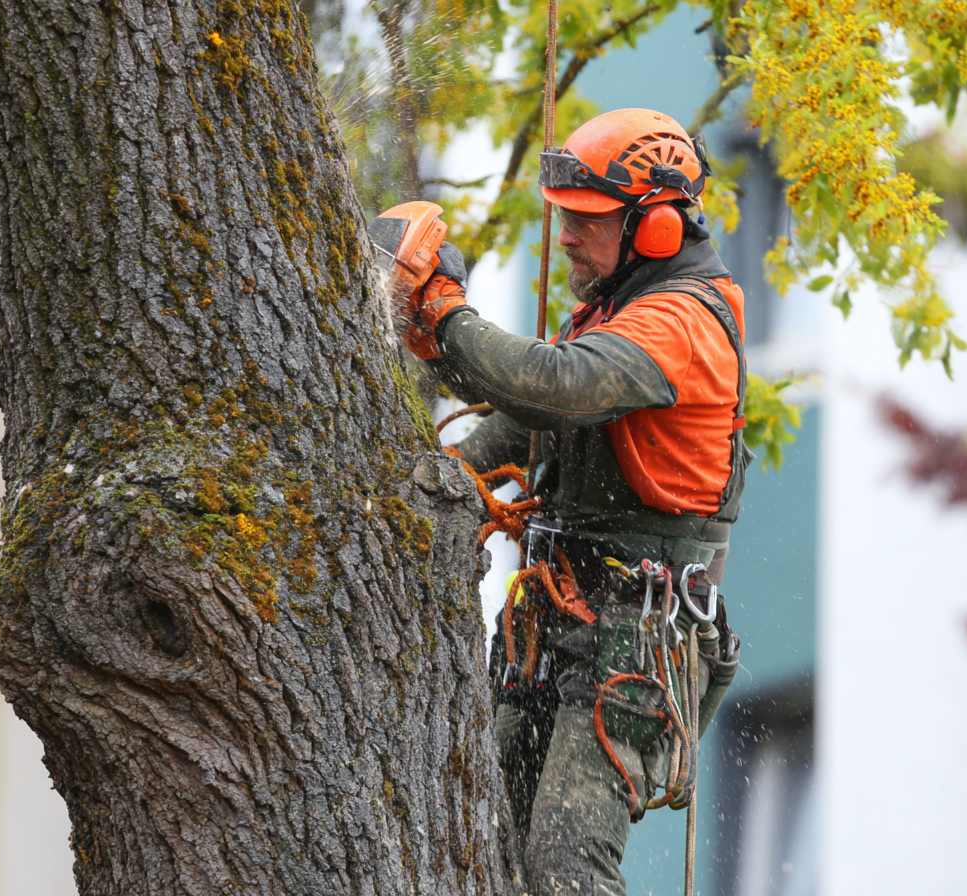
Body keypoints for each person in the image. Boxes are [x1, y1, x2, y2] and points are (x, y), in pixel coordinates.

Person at [377, 108, 745, 896]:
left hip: (634, 641)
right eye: (564, 219)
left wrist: (444, 317)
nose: (568, 236)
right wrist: (439, 481)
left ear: (655, 226)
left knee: (565, 868)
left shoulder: (682, 321)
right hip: (558, 625)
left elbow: (558, 388)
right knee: (480, 841)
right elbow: (526, 423)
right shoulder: (615, 309)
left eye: (586, 221)